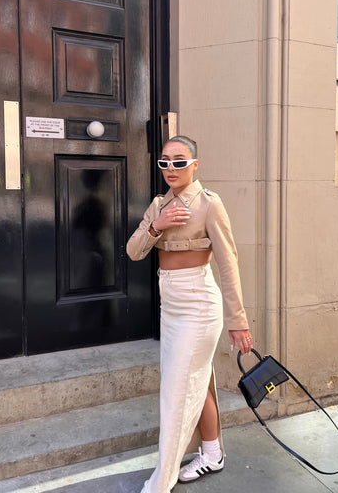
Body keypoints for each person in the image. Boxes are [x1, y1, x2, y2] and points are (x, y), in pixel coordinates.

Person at [126, 135, 253, 493]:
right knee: (194, 384)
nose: (170, 168)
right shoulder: (158, 206)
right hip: (172, 306)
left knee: (177, 392)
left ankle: (160, 483)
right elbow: (134, 251)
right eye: (164, 161)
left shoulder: (210, 204)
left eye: (179, 161)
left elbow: (229, 265)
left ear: (194, 165)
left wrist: (238, 320)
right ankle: (211, 453)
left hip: (199, 304)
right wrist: (158, 224)